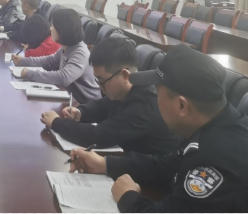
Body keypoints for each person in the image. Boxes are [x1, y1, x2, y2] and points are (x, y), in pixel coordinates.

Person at [69, 45, 248, 212]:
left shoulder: (220, 162)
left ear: (181, 106)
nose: (154, 98)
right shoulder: (212, 122)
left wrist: (128, 197)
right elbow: (168, 166)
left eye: (157, 91)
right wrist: (105, 164)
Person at [41, 37, 180, 154]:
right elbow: (103, 105)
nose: (99, 87)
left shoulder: (143, 106)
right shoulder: (127, 89)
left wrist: (56, 123)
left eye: (101, 80)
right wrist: (81, 112)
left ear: (124, 75)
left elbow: (97, 136)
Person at [12, 8, 101, 104]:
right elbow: (49, 61)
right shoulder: (67, 47)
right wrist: (23, 61)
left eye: (53, 26)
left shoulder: (80, 52)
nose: (50, 28)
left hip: (86, 104)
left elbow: (64, 77)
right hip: (72, 100)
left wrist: (31, 74)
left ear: (62, 30)